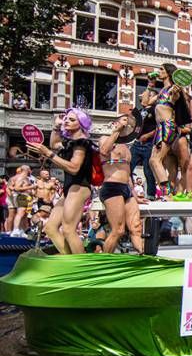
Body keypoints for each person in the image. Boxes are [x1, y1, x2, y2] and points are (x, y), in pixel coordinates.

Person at [27, 109, 93, 254]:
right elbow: (55, 144)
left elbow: (74, 168)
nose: (67, 121)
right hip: (70, 188)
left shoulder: (82, 143)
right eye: (66, 119)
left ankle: (82, 268)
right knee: (50, 228)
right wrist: (56, 127)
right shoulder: (71, 142)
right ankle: (69, 260)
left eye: (72, 119)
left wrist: (48, 154)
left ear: (81, 123)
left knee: (69, 229)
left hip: (80, 186)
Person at [98, 112, 145, 253]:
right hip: (112, 187)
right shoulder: (105, 138)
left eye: (129, 120)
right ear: (116, 123)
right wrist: (117, 131)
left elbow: (128, 173)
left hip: (126, 188)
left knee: (136, 227)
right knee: (118, 230)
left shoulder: (126, 146)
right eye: (124, 119)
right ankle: (103, 262)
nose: (128, 122)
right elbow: (104, 151)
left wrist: (135, 195)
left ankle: (142, 255)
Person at [146, 63, 191, 197]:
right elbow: (146, 102)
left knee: (154, 160)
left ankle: (166, 191)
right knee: (163, 163)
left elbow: (176, 97)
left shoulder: (173, 89)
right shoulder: (161, 91)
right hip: (160, 127)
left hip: (167, 127)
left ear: (168, 73)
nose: (158, 71)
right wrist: (150, 85)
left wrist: (177, 91)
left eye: (161, 69)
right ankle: (170, 192)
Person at [9, 165, 35, 237]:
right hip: (22, 197)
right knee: (21, 213)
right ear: (26, 170)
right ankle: (15, 229)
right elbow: (17, 188)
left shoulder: (27, 178)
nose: (30, 171)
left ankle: (21, 230)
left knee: (25, 215)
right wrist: (31, 187)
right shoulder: (21, 178)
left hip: (28, 197)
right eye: (29, 169)